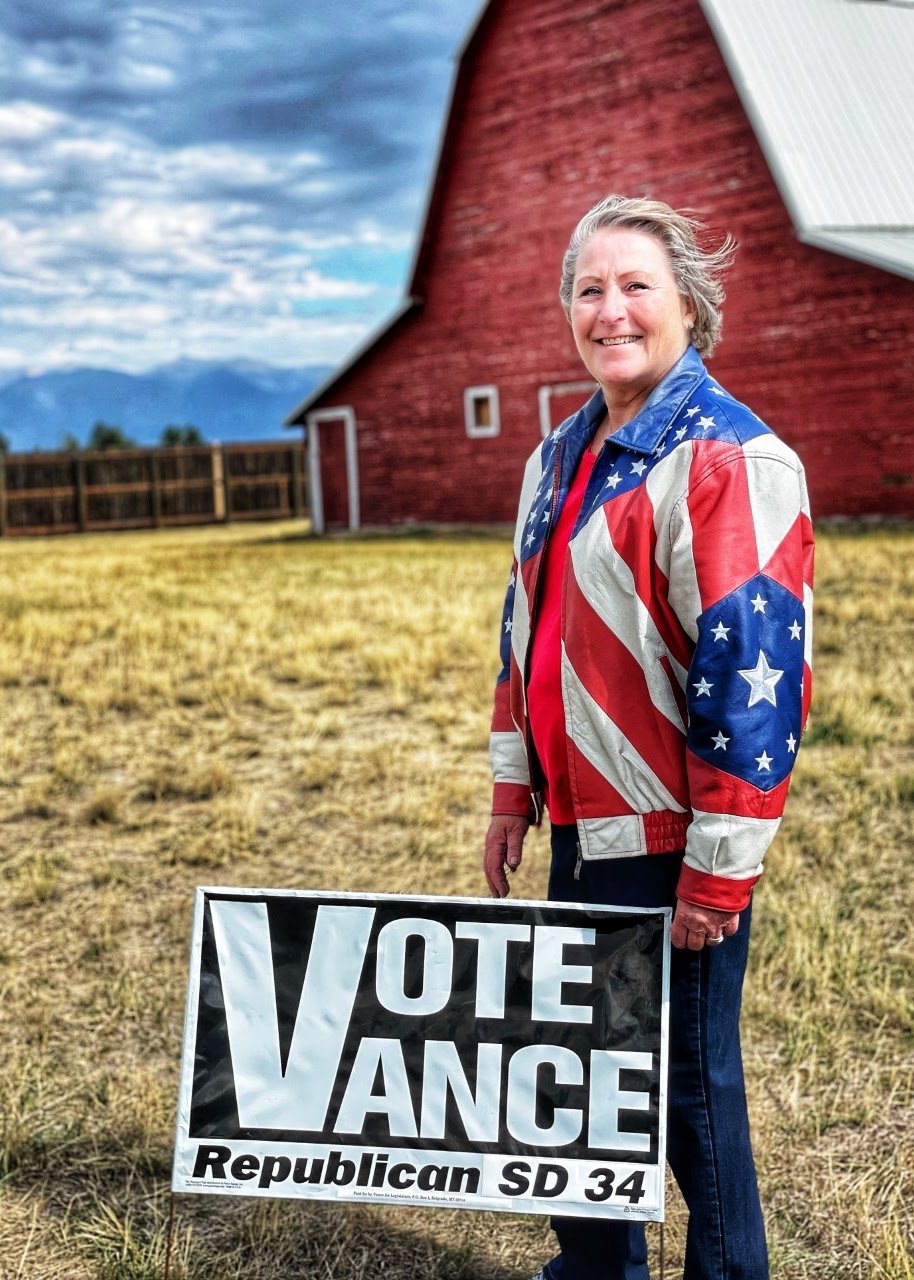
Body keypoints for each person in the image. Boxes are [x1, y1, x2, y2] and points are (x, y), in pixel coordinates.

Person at [484, 195, 814, 1280]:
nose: (608, 309)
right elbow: (521, 639)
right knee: (579, 1063)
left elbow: (750, 685)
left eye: (635, 286)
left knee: (683, 1080)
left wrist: (716, 874)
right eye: (587, 287)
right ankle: (593, 1265)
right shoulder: (559, 455)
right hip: (583, 826)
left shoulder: (727, 460)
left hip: (673, 838)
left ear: (687, 306)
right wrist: (507, 793)